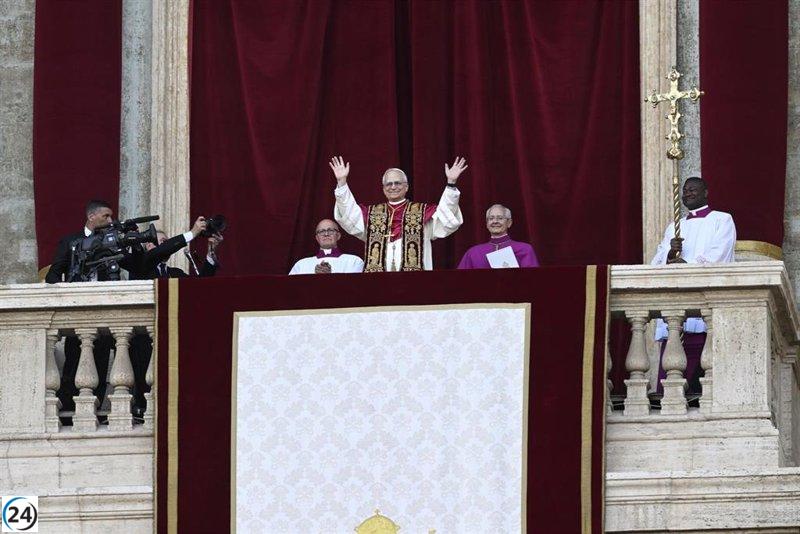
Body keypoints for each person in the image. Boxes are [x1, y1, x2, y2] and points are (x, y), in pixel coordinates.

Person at [651, 176, 736, 395]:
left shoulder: (722, 220)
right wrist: (670, 253)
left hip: (703, 306)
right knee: (669, 377)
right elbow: (657, 260)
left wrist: (687, 265)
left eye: (693, 190)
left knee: (701, 379)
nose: (687, 193)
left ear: (705, 192)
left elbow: (719, 255)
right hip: (676, 308)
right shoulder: (675, 227)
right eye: (685, 190)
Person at [330, 156, 467, 271]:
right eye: (389, 184)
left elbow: (446, 217)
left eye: (397, 183)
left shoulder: (422, 213)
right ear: (383, 189)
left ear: (406, 187)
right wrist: (341, 182)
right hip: (377, 283)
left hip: (415, 282)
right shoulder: (371, 215)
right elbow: (349, 215)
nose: (393, 187)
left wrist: (451, 183)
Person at [45, 200, 116, 283]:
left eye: (110, 217)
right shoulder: (70, 241)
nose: (110, 221)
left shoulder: (112, 240)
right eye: (106, 216)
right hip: (78, 293)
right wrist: (67, 293)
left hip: (105, 293)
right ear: (91, 217)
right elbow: (52, 275)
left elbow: (131, 267)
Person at [129, 217, 222, 279]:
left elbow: (200, 287)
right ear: (149, 246)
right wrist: (192, 233)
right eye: (164, 242)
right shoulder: (140, 267)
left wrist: (211, 251)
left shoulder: (176, 273)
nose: (169, 247)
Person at [457, 204, 539, 269]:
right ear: (487, 224)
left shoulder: (525, 249)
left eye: (500, 218)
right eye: (491, 218)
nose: (495, 221)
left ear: (509, 223)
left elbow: (532, 280)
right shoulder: (473, 253)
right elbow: (460, 280)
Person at [289, 219, 364, 275]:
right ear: (317, 238)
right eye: (321, 231)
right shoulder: (301, 264)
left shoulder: (354, 261)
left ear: (338, 236)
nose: (326, 234)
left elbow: (356, 289)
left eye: (330, 230)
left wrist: (330, 276)